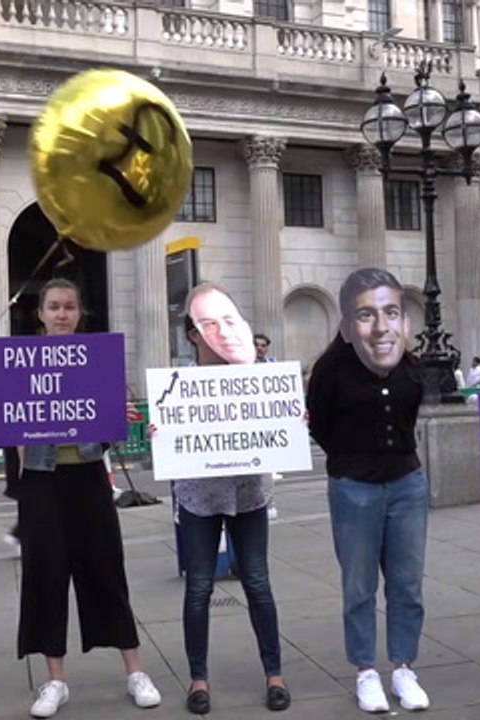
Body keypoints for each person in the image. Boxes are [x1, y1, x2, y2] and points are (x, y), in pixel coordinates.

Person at [15, 278, 160, 718]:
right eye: (54, 307)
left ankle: (134, 670)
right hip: (42, 481)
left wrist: (119, 419)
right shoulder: (19, 364)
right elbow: (9, 420)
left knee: (106, 571)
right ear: (40, 314)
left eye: (69, 307)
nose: (62, 314)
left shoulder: (97, 361)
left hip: (89, 479)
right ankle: (55, 680)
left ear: (79, 314)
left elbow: (105, 426)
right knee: (46, 576)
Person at [306, 269, 431, 714]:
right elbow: (319, 424)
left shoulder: (411, 364)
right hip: (354, 486)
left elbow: (410, 416)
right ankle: (365, 671)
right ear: (347, 320)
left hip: (407, 484)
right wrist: (349, 458)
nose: (380, 325)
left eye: (390, 312)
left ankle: (403, 666)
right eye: (365, 313)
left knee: (407, 583)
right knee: (359, 586)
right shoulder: (331, 369)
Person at [163, 282, 291, 715]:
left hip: (250, 493)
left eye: (228, 320)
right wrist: (159, 435)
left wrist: (292, 420)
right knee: (199, 587)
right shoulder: (175, 386)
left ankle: (274, 674)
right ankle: (198, 678)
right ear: (193, 335)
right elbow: (167, 439)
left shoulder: (262, 376)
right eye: (209, 324)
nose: (222, 331)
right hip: (199, 497)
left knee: (258, 582)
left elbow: (283, 427)